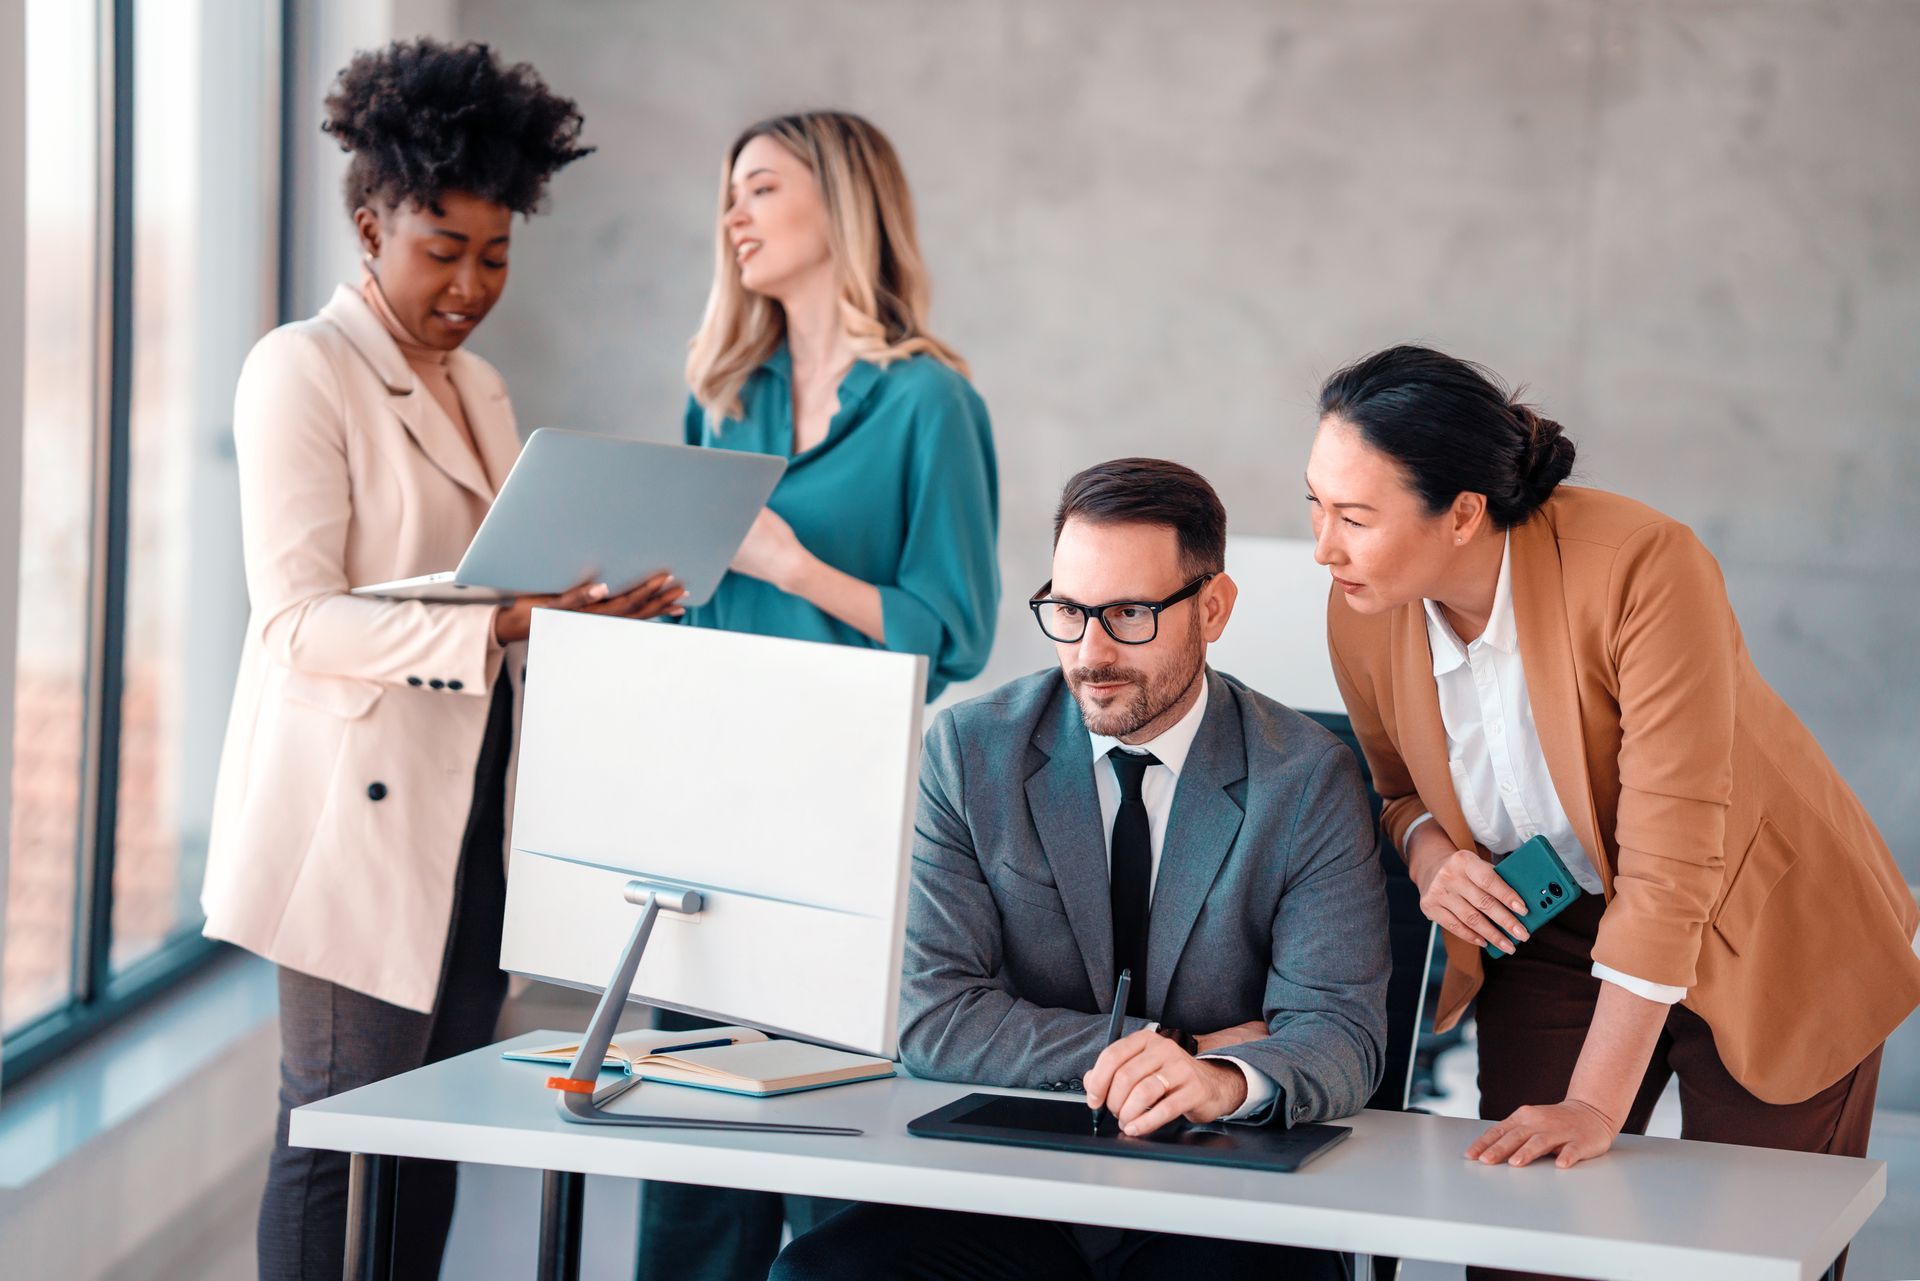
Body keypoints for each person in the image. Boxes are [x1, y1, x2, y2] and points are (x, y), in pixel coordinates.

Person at [198, 40, 684, 1281]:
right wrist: (511, 622)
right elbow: (296, 621)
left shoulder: (477, 383)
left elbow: (497, 583)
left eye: (496, 254)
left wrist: (590, 612)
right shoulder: (301, 369)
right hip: (353, 814)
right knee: (339, 1124)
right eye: (443, 251)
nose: (471, 284)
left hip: (474, 803)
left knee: (432, 1130)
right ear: (371, 226)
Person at [1311, 345, 1920, 1281]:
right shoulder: (1361, 608)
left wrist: (1595, 1104)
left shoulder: (1642, 563)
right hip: (1557, 925)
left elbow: (1674, 866)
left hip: (1755, 918)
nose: (1324, 545)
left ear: (1463, 512)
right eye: (1315, 504)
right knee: (1524, 1240)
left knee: (1747, 1255)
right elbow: (1394, 791)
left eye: (1355, 515)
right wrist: (1430, 852)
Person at [771, 458, 1388, 1281]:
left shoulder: (1308, 776)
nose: (1092, 652)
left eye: (1130, 612)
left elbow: (1341, 1033)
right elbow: (934, 1018)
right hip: (1002, 1187)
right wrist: (1181, 1049)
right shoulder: (969, 751)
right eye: (1067, 610)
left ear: (1213, 607)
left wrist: (1220, 1086)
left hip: (1221, 1201)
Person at [640, 110, 1001, 1281]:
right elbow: (697, 599)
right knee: (685, 1121)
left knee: (812, 1124)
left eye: (760, 189)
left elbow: (955, 633)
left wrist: (795, 567)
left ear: (838, 205)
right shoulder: (723, 393)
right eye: (729, 195)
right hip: (711, 790)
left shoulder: (930, 404)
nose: (733, 218)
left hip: (842, 808)